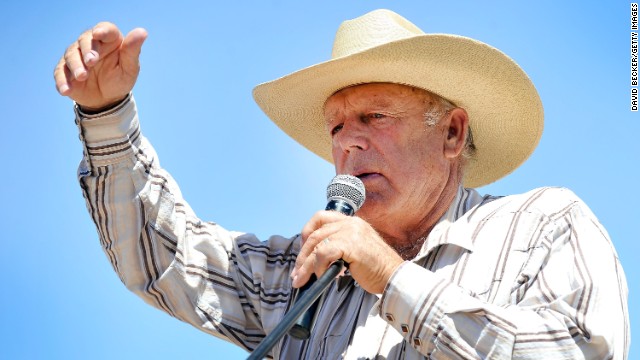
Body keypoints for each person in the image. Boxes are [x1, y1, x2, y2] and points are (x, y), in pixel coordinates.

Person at [54, 9, 629, 359]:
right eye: (337, 126)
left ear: (453, 133)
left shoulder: (544, 223)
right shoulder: (308, 276)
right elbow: (165, 260)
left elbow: (583, 352)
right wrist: (107, 114)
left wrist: (393, 279)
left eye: (375, 117)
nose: (348, 143)